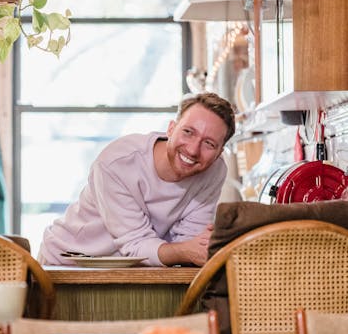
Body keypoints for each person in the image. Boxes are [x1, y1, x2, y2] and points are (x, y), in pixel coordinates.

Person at [38, 92, 236, 268]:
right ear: (170, 129)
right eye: (188, 132)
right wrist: (185, 251)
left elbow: (190, 243)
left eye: (209, 143)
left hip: (136, 270)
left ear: (220, 153)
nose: (193, 150)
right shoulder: (116, 163)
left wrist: (196, 248)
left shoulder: (214, 171)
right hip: (68, 262)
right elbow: (136, 244)